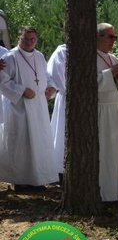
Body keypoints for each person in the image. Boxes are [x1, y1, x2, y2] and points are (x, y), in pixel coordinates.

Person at [0, 27, 58, 189]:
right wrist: (21, 90)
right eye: (25, 39)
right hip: (19, 108)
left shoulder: (39, 56)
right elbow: (2, 80)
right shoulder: (10, 57)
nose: (29, 42)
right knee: (21, 144)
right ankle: (20, 180)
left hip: (38, 107)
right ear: (19, 38)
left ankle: (37, 178)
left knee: (39, 142)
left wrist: (51, 87)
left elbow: (46, 76)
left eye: (32, 39)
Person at [97, 23, 118, 201]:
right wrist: (110, 74)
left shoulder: (113, 58)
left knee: (114, 151)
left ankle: (112, 191)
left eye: (114, 37)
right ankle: (101, 192)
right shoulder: (90, 57)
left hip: (115, 110)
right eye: (109, 37)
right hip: (101, 111)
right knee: (102, 152)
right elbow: (89, 84)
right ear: (98, 37)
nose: (113, 41)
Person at [46, 43, 66, 175]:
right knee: (62, 133)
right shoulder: (62, 52)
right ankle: (61, 169)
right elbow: (53, 75)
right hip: (67, 97)